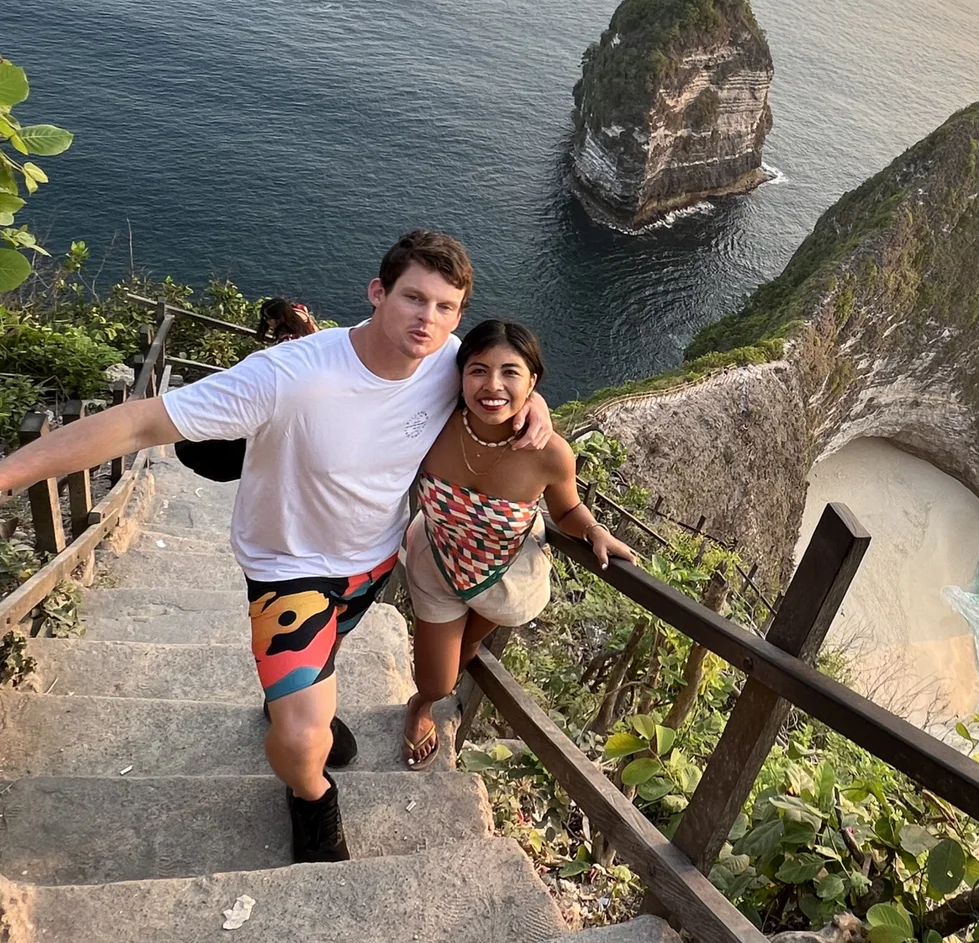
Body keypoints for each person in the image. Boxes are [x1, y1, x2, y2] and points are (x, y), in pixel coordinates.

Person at [0, 231, 555, 864]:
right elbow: (138, 422)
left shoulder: (448, 362)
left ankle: (296, 695)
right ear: (378, 293)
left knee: (325, 658)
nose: (427, 319)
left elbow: (497, 383)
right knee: (300, 740)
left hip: (372, 565)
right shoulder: (290, 374)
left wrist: (534, 405)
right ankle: (312, 794)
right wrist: (9, 475)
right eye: (413, 298)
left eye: (445, 307)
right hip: (288, 572)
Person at [400, 319, 635, 768]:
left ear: (532, 381)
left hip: (502, 575)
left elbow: (566, 509)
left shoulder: (549, 453)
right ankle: (422, 703)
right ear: (459, 376)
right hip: (438, 561)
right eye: (478, 370)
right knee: (436, 680)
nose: (493, 385)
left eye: (510, 372)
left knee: (468, 647)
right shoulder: (432, 423)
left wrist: (593, 530)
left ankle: (438, 689)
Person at [173, 296, 320, 483]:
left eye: (268, 318)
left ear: (278, 318)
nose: (267, 322)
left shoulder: (288, 341)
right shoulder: (301, 318)